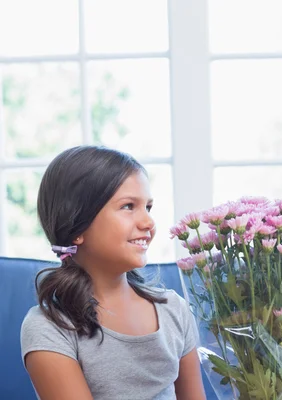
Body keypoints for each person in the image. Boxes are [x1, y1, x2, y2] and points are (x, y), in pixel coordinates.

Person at [21, 145, 206, 400]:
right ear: (77, 225)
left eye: (148, 207)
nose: (148, 223)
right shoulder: (50, 328)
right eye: (129, 206)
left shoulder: (174, 309)